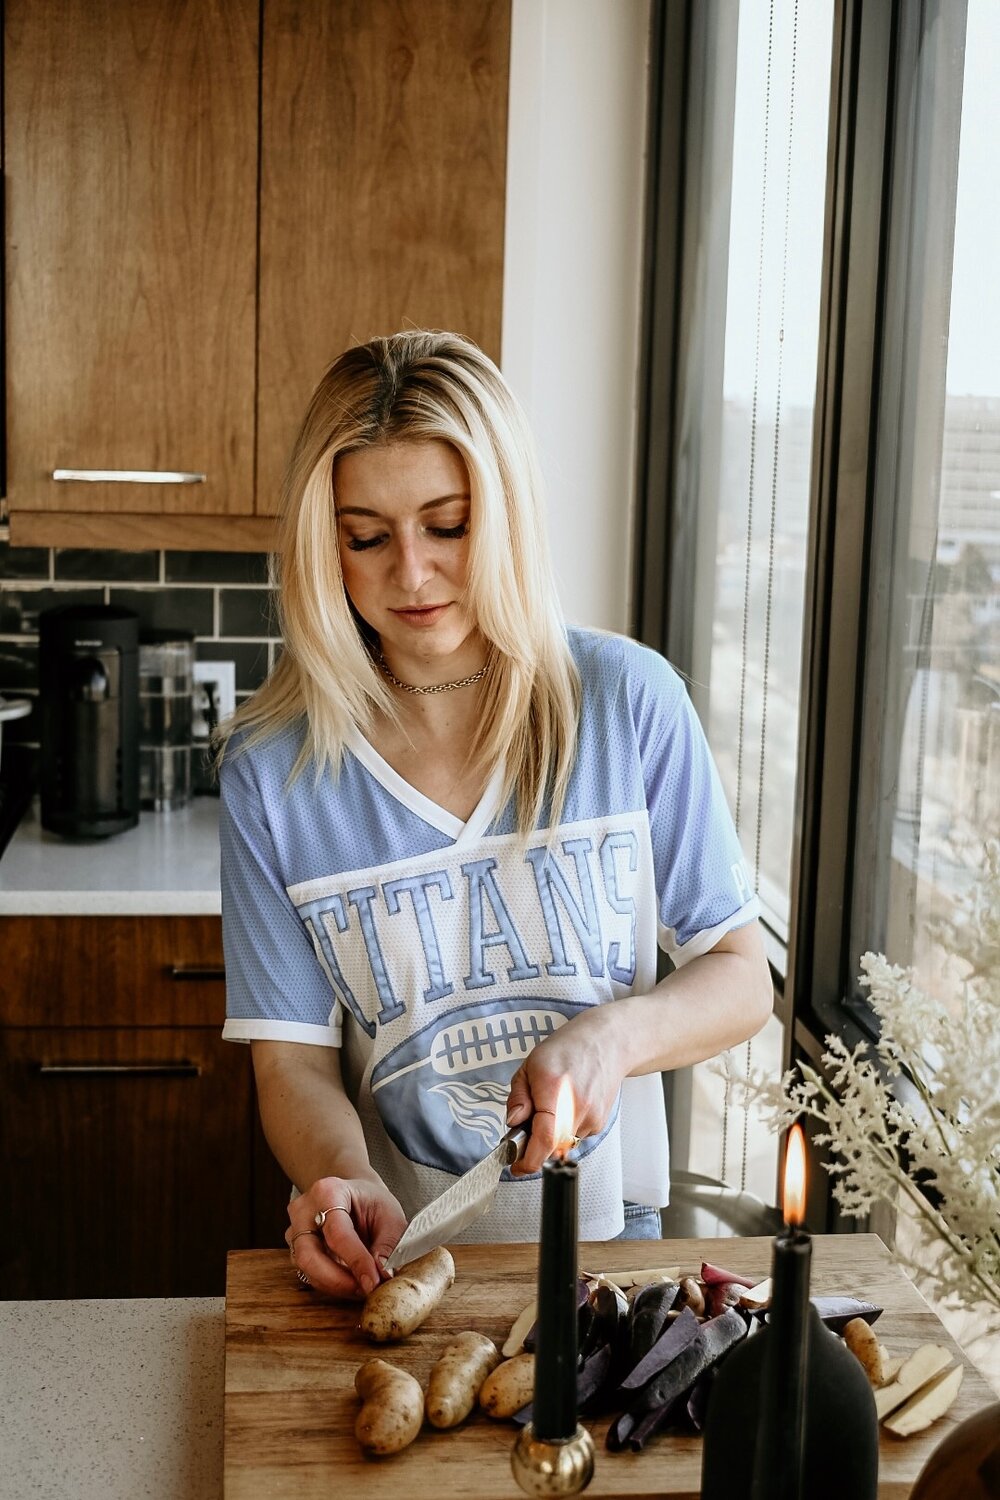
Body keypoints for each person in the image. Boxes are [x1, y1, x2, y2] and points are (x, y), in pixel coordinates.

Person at [218, 330, 772, 1301]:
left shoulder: (627, 703)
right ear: (326, 541)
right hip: (395, 1251)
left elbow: (739, 976)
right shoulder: (274, 772)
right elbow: (292, 1064)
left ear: (506, 513)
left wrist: (612, 1037)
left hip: (609, 1239)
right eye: (366, 536)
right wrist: (332, 1176)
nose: (413, 574)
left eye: (449, 524)